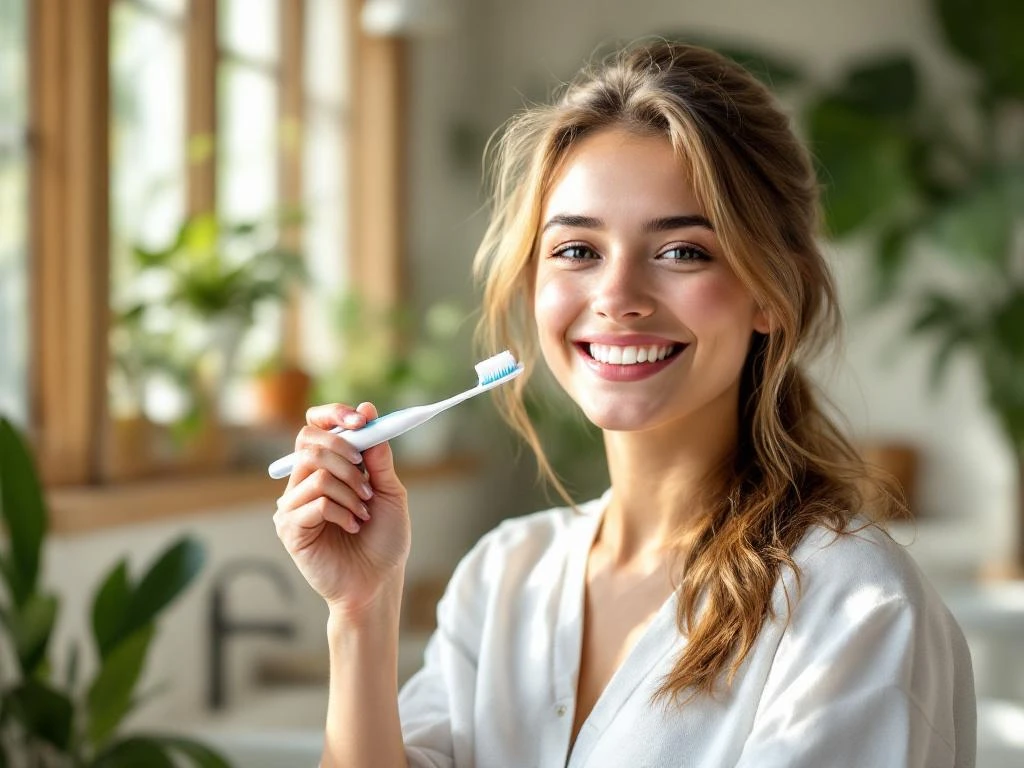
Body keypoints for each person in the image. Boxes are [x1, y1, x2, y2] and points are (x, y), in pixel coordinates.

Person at [274, 40, 976, 767]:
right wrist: (360, 613)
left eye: (682, 252)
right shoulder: (504, 576)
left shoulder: (853, 605)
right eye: (577, 250)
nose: (616, 298)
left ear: (771, 291)